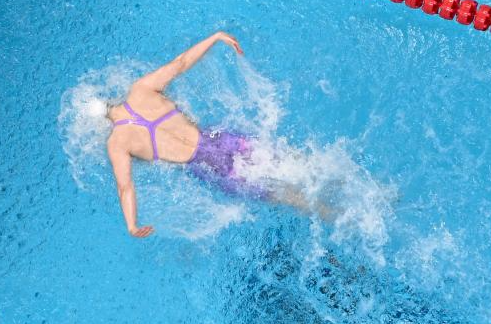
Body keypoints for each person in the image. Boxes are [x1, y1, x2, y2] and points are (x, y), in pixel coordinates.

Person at [106, 31, 326, 238]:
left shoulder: (117, 142)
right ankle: (327, 170)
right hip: (219, 140)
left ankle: (330, 212)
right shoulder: (141, 90)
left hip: (209, 167)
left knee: (286, 196)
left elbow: (125, 187)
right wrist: (215, 37)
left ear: (105, 121)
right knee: (292, 161)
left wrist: (132, 225)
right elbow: (180, 63)